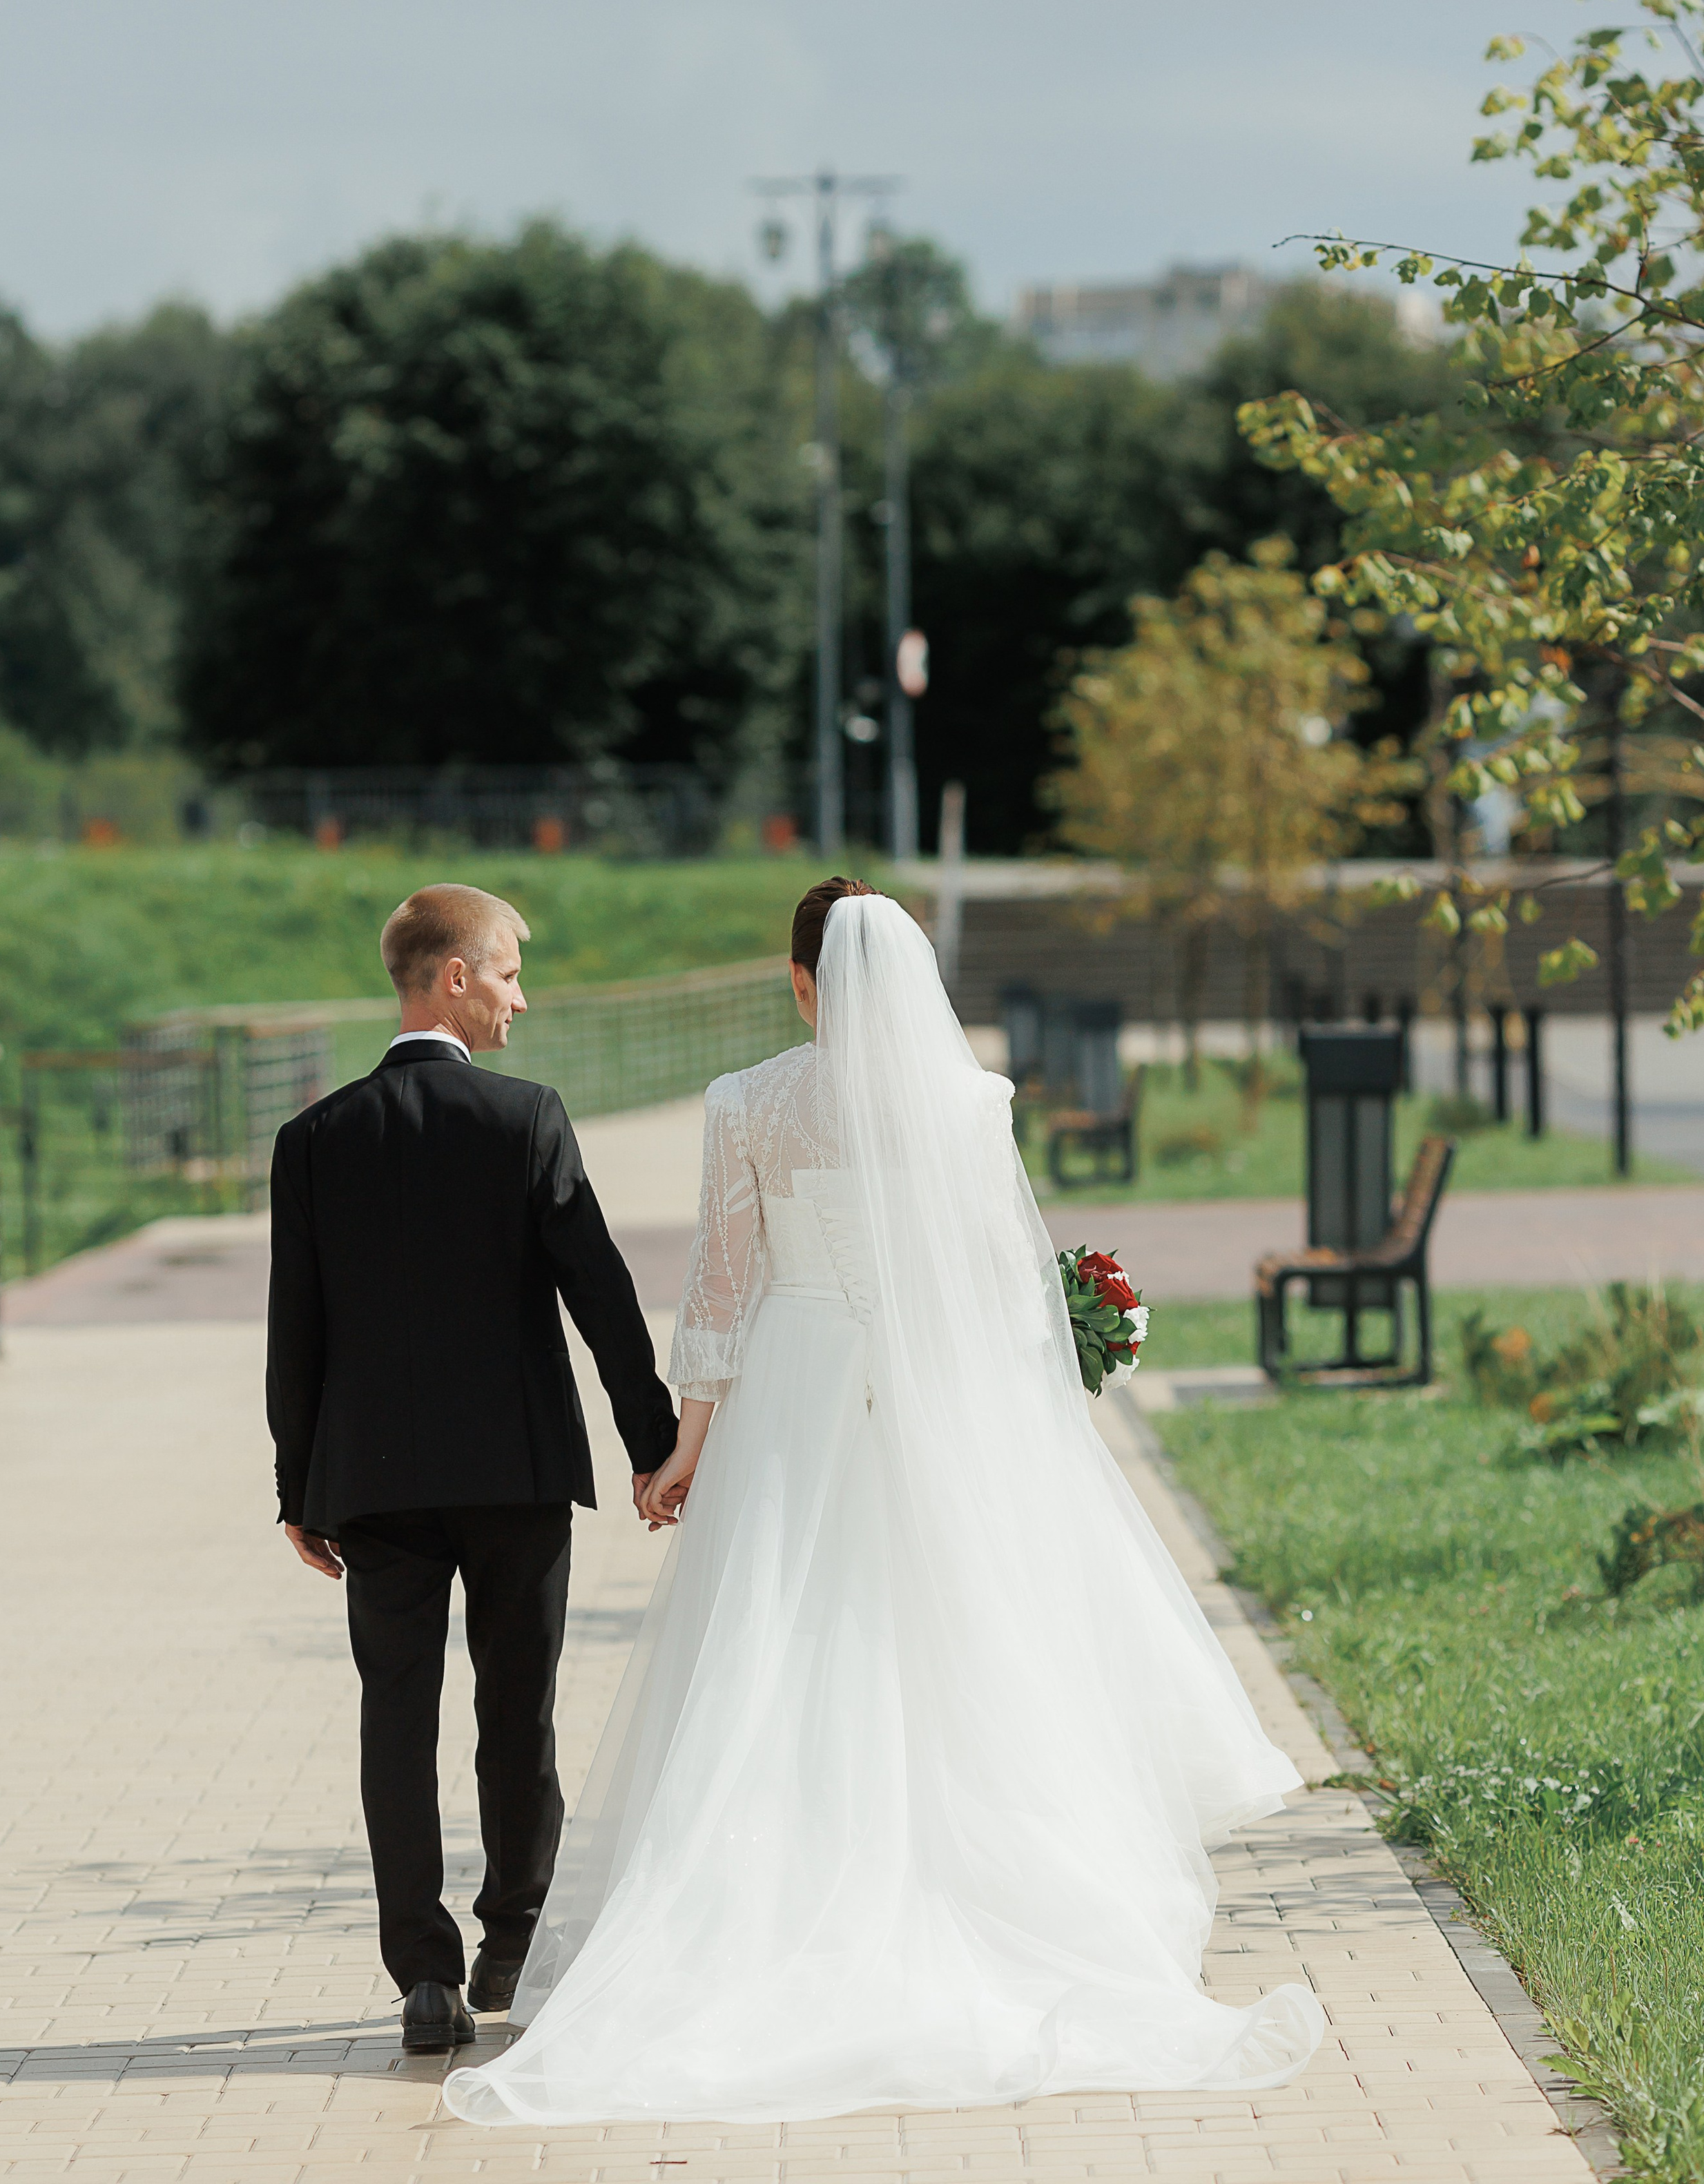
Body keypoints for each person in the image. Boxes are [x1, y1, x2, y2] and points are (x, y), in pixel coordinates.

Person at [443, 879, 1323, 2125]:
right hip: (932, 1401)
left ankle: (772, 1911)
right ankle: (999, 1900)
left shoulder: (747, 1101)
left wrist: (682, 1450)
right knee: (953, 1644)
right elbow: (996, 1276)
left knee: (780, 1651)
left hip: (798, 1393)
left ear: (802, 981)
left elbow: (724, 1289)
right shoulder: (971, 1102)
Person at [264, 882, 677, 2055]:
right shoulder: (526, 1119)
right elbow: (601, 1295)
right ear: (453, 976)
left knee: (395, 1717)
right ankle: (514, 1939)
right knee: (520, 1710)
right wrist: (653, 1446)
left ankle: (425, 1978)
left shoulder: (314, 1140)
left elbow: (296, 1330)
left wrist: (300, 1484)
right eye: (506, 972)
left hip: (376, 1482)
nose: (519, 996)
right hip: (515, 1472)